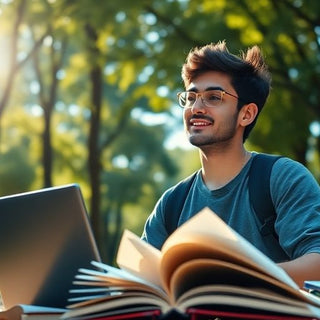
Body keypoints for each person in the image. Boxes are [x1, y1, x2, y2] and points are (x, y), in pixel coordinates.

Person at [141, 40, 320, 288]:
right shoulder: (172, 203)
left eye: (214, 97)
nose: (196, 107)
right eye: (191, 97)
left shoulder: (282, 178)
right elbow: (141, 281)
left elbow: (317, 264)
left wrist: (235, 278)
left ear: (246, 114)